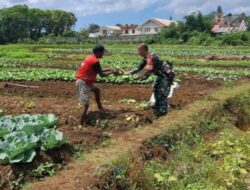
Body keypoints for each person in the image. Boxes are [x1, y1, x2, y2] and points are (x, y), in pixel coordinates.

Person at [129, 43, 175, 116]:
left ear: (143, 50)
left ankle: (163, 111)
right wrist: (128, 72)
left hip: (166, 75)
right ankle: (157, 106)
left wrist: (140, 76)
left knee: (162, 93)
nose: (138, 52)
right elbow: (139, 68)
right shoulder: (146, 58)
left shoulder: (151, 57)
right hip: (160, 75)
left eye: (138, 50)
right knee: (156, 88)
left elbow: (149, 69)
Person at [75, 45, 114, 126]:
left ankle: (100, 107)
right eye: (102, 52)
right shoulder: (94, 61)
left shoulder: (90, 57)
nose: (103, 54)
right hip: (82, 82)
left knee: (97, 90)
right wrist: (112, 72)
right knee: (86, 105)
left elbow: (97, 69)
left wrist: (109, 68)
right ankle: (80, 124)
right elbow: (102, 74)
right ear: (98, 52)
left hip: (86, 81)